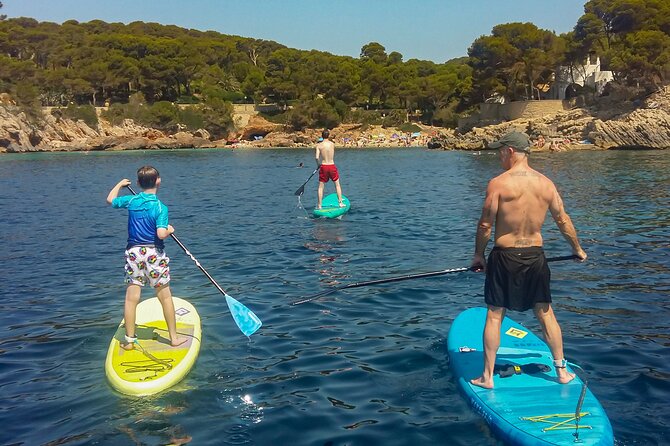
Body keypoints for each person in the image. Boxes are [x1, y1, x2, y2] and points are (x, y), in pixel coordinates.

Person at [469, 131, 587, 389]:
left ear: (511, 151)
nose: (498, 155)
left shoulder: (499, 183)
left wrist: (479, 254)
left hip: (505, 256)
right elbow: (563, 220)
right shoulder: (546, 184)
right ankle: (561, 372)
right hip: (535, 257)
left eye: (500, 151)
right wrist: (577, 248)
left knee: (495, 315)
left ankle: (487, 377)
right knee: (545, 313)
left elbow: (486, 224)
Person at [106, 166, 186, 351]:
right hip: (154, 254)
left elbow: (110, 200)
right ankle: (173, 338)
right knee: (165, 297)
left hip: (134, 253)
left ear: (138, 183)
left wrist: (119, 184)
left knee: (131, 298)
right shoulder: (160, 207)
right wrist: (170, 230)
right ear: (158, 181)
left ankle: (129, 341)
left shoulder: (132, 200)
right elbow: (161, 233)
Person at [315, 129, 345, 209]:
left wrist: (318, 165)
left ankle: (319, 205)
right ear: (328, 136)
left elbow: (317, 157)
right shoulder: (332, 144)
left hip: (324, 166)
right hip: (331, 165)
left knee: (321, 186)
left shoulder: (319, 146)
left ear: (322, 136)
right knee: (337, 184)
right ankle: (340, 203)